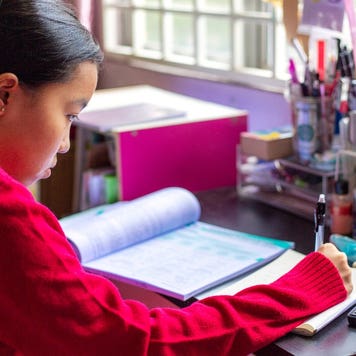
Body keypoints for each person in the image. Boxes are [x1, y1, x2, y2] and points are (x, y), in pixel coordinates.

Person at [0, 1, 353, 355]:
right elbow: (134, 341)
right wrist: (301, 289)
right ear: (5, 94)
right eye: (69, 115)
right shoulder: (10, 215)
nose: (65, 145)